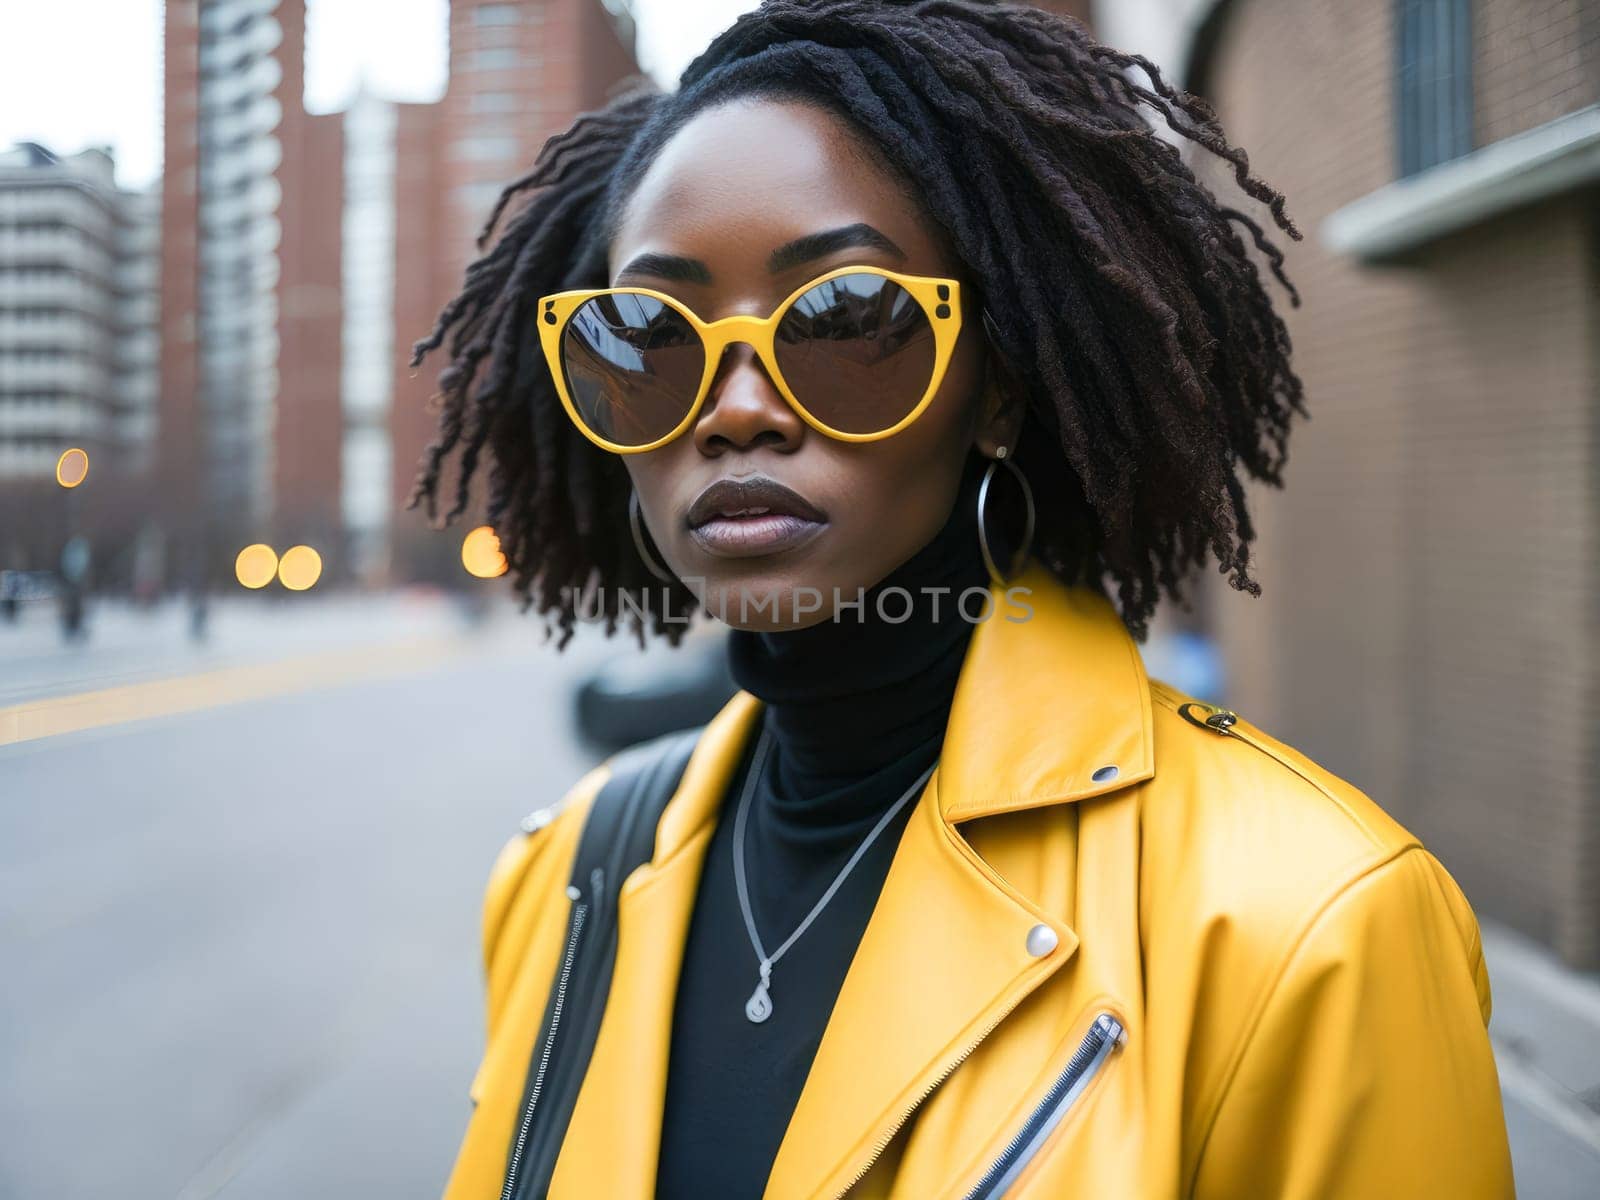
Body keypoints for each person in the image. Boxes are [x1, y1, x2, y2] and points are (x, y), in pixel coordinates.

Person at [408, 3, 1514, 1196]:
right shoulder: (563, 877)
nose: (732, 408)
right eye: (650, 338)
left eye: (841, 321)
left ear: (994, 394)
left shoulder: (1308, 921)